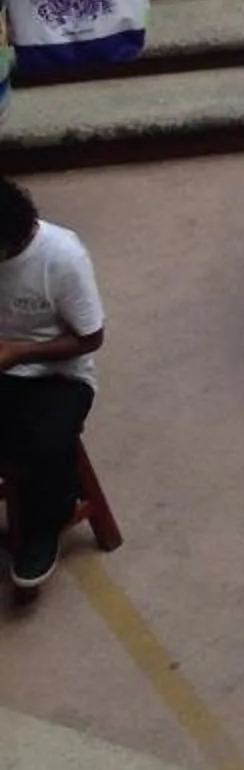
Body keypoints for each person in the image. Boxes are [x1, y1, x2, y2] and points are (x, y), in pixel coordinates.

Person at [0, 174, 104, 589]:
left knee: (44, 440)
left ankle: (46, 525)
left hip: (58, 375)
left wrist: (18, 352)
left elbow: (91, 337)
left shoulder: (62, 257)